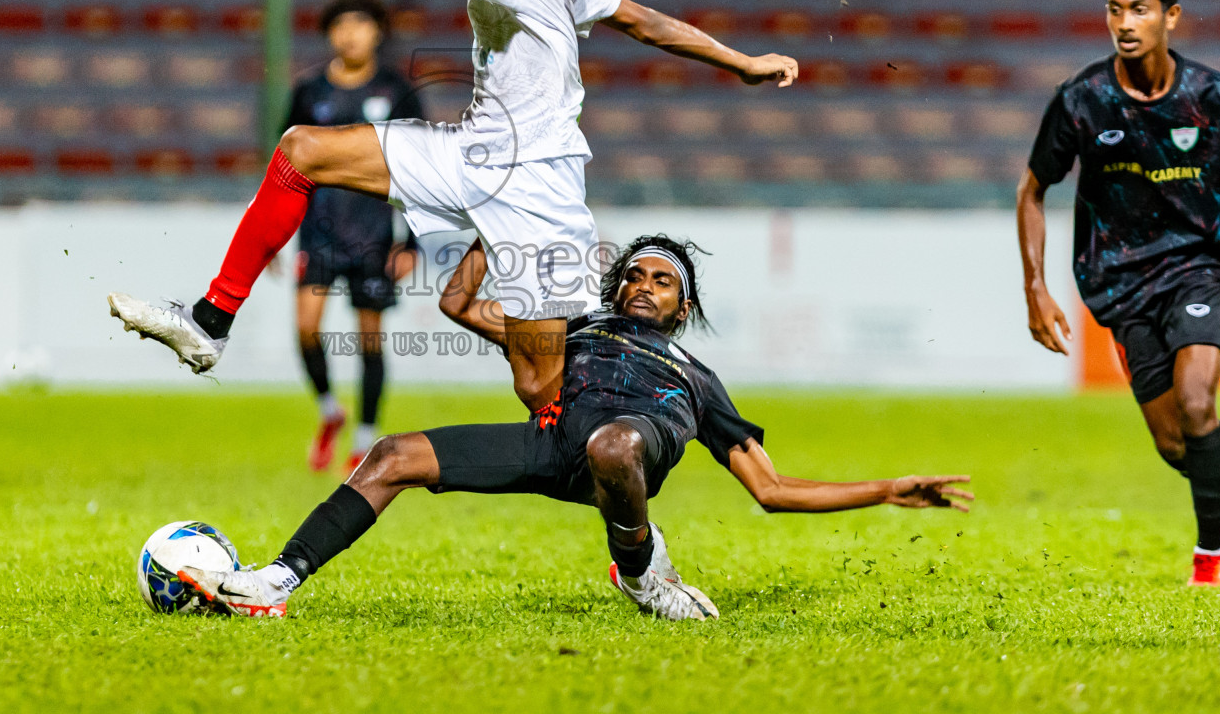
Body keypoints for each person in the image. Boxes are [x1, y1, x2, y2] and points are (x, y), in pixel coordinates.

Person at [107, 0, 798, 421]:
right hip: (477, 152)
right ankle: (210, 320)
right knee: (301, 150)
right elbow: (644, 21)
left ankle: (640, 523)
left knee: (543, 389)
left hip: (535, 183)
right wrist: (739, 63)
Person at [172, 235, 973, 619]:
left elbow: (773, 489)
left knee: (615, 444)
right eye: (635, 273)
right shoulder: (573, 332)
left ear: (683, 305)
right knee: (391, 454)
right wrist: (493, 232)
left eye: (663, 279)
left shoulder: (697, 380)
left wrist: (888, 487)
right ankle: (276, 581)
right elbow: (455, 305)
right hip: (556, 446)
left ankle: (640, 569)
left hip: (625, 451)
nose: (644, 284)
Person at [1018, 0, 1220, 586]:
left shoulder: (1212, 95)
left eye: (1139, 9)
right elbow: (1033, 189)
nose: (1124, 22)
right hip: (1119, 282)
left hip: (1199, 266)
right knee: (1177, 446)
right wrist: (1036, 287)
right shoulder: (1083, 101)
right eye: (1114, 10)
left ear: (1171, 16)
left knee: (1199, 402)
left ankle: (1209, 562)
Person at [287, 0, 422, 473]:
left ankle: (364, 437)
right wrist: (273, 237)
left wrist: (413, 242)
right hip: (318, 232)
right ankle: (329, 410)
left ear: (377, 33)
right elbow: (286, 166)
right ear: (329, 34)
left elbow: (421, 168)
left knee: (369, 338)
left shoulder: (397, 91)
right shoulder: (309, 93)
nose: (350, 34)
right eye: (341, 26)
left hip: (372, 236)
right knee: (305, 328)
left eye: (360, 25)